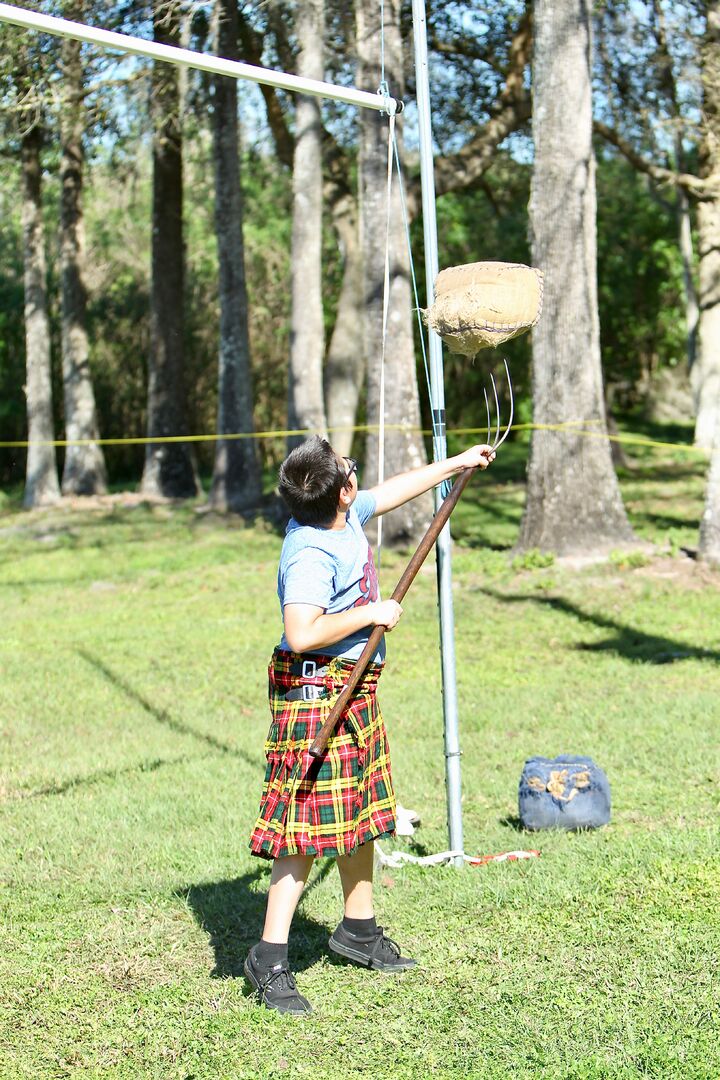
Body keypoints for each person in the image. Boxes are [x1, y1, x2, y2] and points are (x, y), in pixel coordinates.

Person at [245, 435, 496, 1014]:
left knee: (358, 813)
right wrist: (371, 613)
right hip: (317, 693)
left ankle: (357, 930)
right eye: (350, 470)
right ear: (341, 492)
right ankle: (269, 955)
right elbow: (301, 632)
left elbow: (391, 494)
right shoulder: (309, 552)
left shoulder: (342, 514)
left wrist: (458, 464)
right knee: (304, 831)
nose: (358, 477)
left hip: (353, 688)